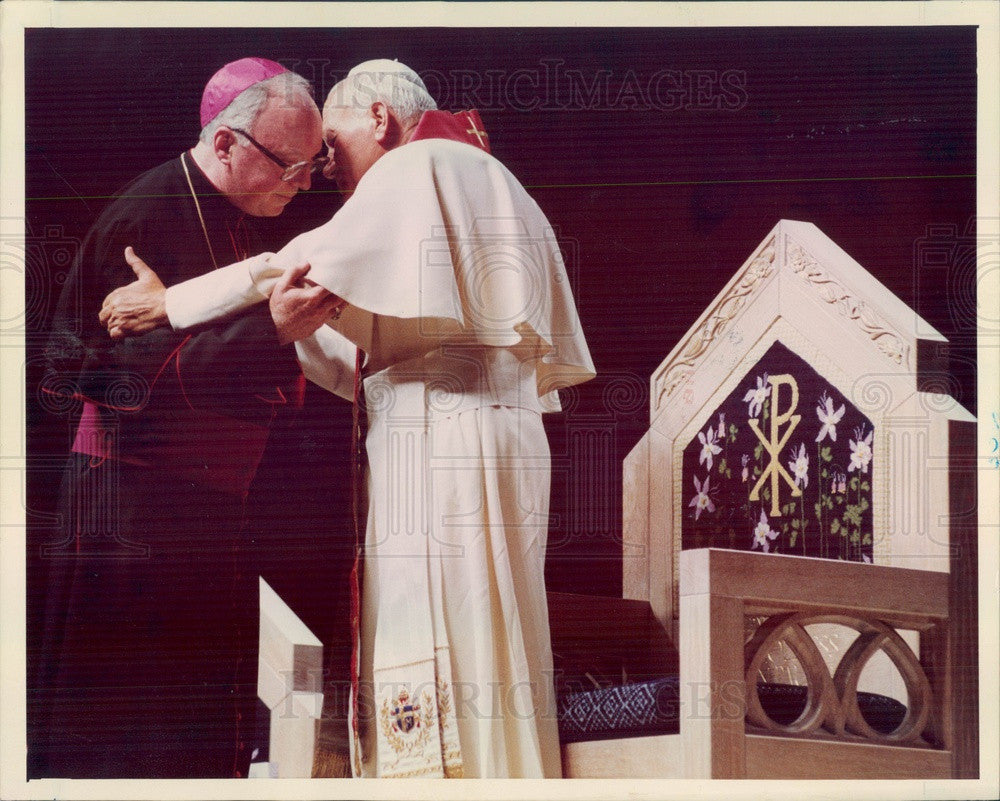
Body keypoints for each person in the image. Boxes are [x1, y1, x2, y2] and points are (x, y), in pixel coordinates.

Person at [99, 59, 595, 779]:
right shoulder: (483, 173)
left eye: (330, 144)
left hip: (443, 439)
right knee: (490, 643)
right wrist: (275, 332)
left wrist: (170, 304)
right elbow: (345, 345)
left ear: (380, 121)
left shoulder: (421, 162)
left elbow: (298, 269)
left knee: (451, 637)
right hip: (475, 429)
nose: (326, 168)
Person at [32, 58, 333, 779]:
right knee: (127, 731)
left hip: (210, 505)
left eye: (310, 164)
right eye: (286, 164)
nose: (301, 182)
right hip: (131, 511)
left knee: (199, 729)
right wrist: (269, 332)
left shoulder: (250, 216)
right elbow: (79, 369)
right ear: (226, 144)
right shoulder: (142, 215)